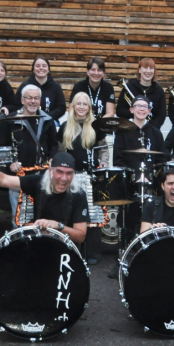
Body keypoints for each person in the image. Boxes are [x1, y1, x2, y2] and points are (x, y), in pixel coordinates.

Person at [0, 152, 89, 244]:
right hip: (38, 243)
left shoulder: (78, 194)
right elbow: (2, 179)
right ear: (50, 171)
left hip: (65, 251)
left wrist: (58, 226)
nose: (64, 178)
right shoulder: (38, 182)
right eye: (60, 172)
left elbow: (81, 236)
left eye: (69, 173)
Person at [111, 95, 165, 277]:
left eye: (145, 107)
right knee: (127, 222)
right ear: (131, 110)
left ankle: (147, 258)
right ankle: (123, 259)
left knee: (150, 220)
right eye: (138, 106)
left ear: (149, 112)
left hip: (150, 185)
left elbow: (161, 160)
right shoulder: (123, 131)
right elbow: (117, 159)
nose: (142, 109)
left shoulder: (156, 133)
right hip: (129, 184)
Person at [0, 84, 58, 227]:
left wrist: (51, 159)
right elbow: (2, 147)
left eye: (36, 98)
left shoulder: (47, 120)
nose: (33, 101)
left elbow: (54, 145)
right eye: (29, 98)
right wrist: (10, 163)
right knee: (19, 218)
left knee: (42, 216)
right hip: (18, 177)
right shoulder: (10, 120)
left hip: (41, 176)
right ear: (22, 100)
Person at [57, 92, 108, 264]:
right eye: (78, 104)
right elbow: (59, 152)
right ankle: (70, 251)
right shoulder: (64, 127)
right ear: (72, 106)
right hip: (70, 177)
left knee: (92, 215)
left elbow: (104, 150)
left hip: (90, 177)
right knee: (70, 214)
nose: (81, 107)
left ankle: (93, 253)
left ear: (89, 107)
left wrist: (103, 167)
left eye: (84, 104)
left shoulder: (96, 127)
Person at [115, 58, 166, 129]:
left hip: (151, 130)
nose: (148, 71)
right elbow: (119, 111)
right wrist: (137, 113)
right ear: (139, 70)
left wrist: (150, 128)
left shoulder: (159, 91)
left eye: (151, 68)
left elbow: (161, 116)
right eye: (145, 68)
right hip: (130, 128)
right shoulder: (129, 87)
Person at [14, 56, 66, 122]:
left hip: (49, 120)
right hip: (27, 120)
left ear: (48, 69)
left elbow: (61, 107)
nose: (41, 68)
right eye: (38, 66)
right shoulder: (25, 86)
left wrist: (47, 117)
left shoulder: (56, 87)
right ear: (33, 69)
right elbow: (16, 105)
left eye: (44, 66)